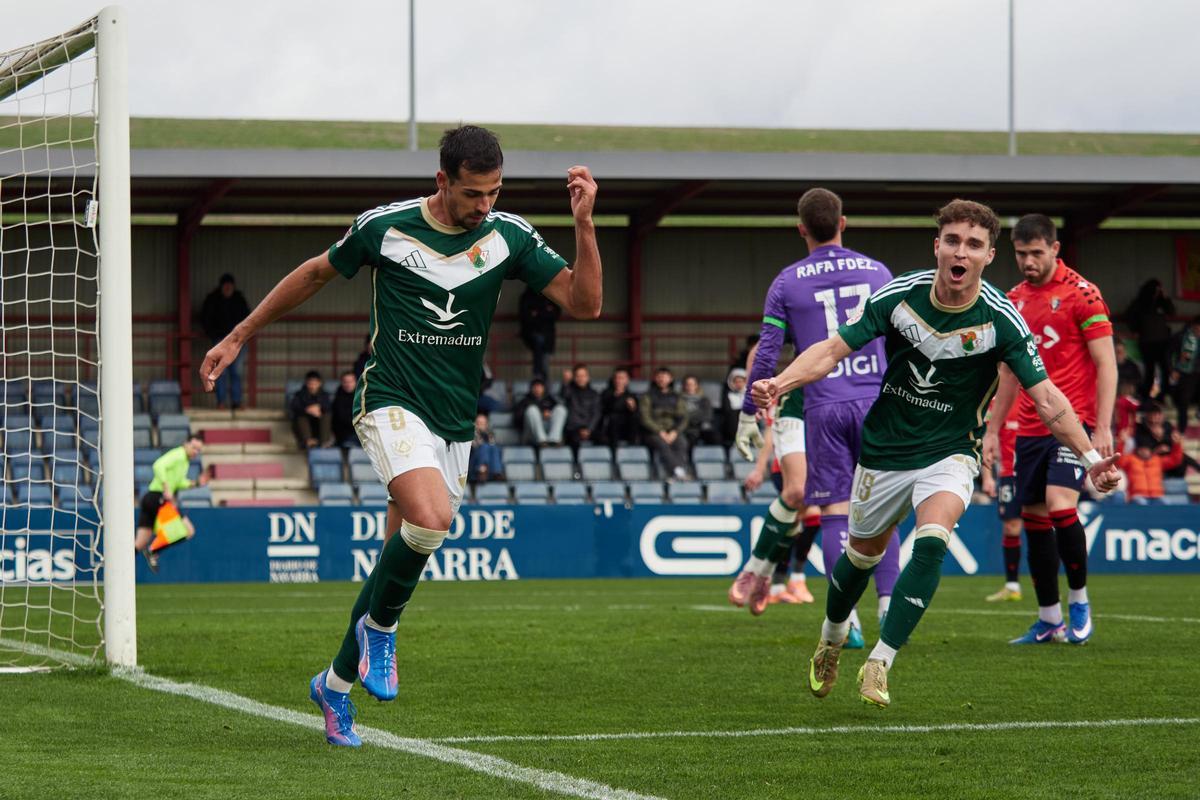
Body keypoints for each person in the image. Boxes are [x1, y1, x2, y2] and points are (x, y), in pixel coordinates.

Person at [199, 124, 601, 747]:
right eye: (473, 193)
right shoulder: (385, 227)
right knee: (432, 519)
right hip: (389, 400)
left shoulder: (509, 237)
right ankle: (381, 632)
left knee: (399, 557)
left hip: (453, 422)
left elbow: (585, 303)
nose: (485, 205)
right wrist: (237, 335)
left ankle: (334, 687)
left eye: (494, 192)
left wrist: (584, 224)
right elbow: (313, 274)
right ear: (442, 180)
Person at [751, 199, 1120, 708]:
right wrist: (781, 382)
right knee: (860, 559)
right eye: (952, 241)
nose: (960, 251)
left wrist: (1091, 458)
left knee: (931, 541)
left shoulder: (1002, 319)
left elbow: (1048, 399)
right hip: (884, 449)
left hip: (951, 451)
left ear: (989, 255)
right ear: (937, 246)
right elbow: (832, 350)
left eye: (973, 244)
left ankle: (881, 661)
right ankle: (831, 637)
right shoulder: (898, 297)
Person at [730, 188, 899, 642]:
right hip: (875, 401)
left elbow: (767, 353)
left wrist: (748, 413)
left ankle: (848, 621)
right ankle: (888, 608)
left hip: (824, 404)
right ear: (843, 222)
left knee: (834, 512)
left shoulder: (787, 282)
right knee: (884, 511)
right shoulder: (878, 272)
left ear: (801, 228)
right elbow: (902, 341)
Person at [985, 214, 1116, 646]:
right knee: (1034, 518)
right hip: (1029, 427)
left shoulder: (1083, 294)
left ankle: (1079, 601)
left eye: (1036, 253)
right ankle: (1048, 619)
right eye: (1021, 253)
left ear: (1055, 249)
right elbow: (1008, 373)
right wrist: (993, 430)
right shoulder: (1013, 300)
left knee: (1061, 506)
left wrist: (1102, 427)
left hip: (1074, 422)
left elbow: (1106, 364)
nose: (1028, 262)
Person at [134, 434, 207, 573]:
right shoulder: (178, 455)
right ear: (186, 444)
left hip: (150, 498)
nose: (195, 452)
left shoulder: (185, 462)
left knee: (140, 543)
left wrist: (196, 483)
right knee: (188, 530)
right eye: (194, 447)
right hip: (159, 499)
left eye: (198, 450)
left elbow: (179, 482)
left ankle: (117, 564)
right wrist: (166, 487)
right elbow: (158, 465)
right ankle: (152, 551)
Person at [981, 403, 1023, 602]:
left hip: (1036, 471)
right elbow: (986, 440)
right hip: (1009, 474)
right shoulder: (996, 402)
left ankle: (1049, 585)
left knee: (1042, 524)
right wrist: (987, 477)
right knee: (1011, 527)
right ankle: (1012, 586)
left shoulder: (1036, 393)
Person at [199, 274, 250, 409]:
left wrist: (243, 336)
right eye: (225, 285)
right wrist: (212, 334)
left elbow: (248, 318)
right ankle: (221, 402)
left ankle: (236, 402)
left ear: (233, 286)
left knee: (236, 371)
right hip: (220, 340)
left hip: (238, 341)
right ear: (221, 286)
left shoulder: (239, 300)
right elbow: (205, 318)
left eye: (230, 285)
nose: (228, 288)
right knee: (220, 372)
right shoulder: (213, 300)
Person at [1124, 279, 1175, 400]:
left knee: (1165, 369)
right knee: (1149, 369)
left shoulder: (1161, 302)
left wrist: (1165, 298)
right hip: (1147, 341)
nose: (1158, 292)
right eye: (1156, 290)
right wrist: (1135, 330)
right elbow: (1130, 316)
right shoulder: (1140, 303)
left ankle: (1164, 393)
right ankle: (1147, 394)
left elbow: (1172, 311)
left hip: (1162, 341)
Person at [639, 366, 690, 480]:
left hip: (672, 431)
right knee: (662, 445)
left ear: (670, 379)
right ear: (655, 378)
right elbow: (645, 418)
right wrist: (660, 431)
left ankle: (676, 473)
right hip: (653, 432)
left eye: (665, 377)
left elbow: (683, 417)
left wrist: (675, 432)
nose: (662, 379)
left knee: (682, 443)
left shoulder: (677, 397)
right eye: (659, 376)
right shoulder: (647, 396)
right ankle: (678, 471)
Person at [1118, 439, 1184, 503]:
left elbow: (1175, 460)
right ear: (1137, 450)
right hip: (1137, 495)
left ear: (1150, 450)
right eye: (1142, 449)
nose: (1144, 452)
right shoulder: (1130, 460)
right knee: (1141, 503)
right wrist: (1121, 443)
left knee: (1166, 503)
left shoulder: (1157, 460)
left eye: (1146, 449)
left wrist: (1177, 445)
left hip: (1157, 495)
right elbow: (1119, 461)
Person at [519, 285, 562, 380]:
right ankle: (538, 377)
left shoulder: (551, 295)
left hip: (548, 336)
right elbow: (526, 316)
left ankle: (541, 379)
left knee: (545, 359)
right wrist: (546, 312)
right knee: (539, 345)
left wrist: (538, 314)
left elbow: (556, 314)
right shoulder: (528, 296)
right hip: (531, 333)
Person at [514, 378, 567, 446]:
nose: (537, 389)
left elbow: (558, 414)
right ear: (531, 389)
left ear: (543, 388)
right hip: (530, 433)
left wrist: (549, 413)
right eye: (535, 387)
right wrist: (540, 415)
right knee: (532, 410)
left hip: (548, 431)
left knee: (560, 409)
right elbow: (517, 419)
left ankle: (554, 440)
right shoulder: (525, 401)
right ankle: (542, 440)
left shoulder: (550, 400)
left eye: (539, 387)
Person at [1170, 315, 1200, 432]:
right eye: (1197, 330)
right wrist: (1173, 369)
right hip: (1185, 373)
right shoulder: (1181, 337)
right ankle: (1181, 430)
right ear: (1193, 326)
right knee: (1183, 402)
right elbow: (1169, 353)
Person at [562, 363, 602, 450]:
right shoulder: (569, 392)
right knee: (573, 439)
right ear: (574, 378)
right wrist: (566, 383)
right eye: (578, 376)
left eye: (583, 376)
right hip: (573, 429)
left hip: (590, 428)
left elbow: (596, 414)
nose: (581, 379)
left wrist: (588, 429)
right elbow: (563, 396)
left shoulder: (594, 394)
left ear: (588, 377)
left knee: (603, 439)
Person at [289, 370, 333, 450]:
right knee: (301, 416)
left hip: (319, 425)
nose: (312, 386)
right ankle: (309, 441)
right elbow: (294, 407)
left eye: (315, 384)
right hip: (303, 426)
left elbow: (329, 407)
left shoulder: (324, 395)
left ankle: (325, 442)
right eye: (310, 383)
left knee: (327, 415)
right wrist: (307, 410)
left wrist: (318, 408)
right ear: (306, 383)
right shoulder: (299, 394)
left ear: (319, 383)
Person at [598, 367, 641, 446]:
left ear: (627, 380)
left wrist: (632, 408)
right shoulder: (606, 394)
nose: (618, 381)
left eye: (621, 378)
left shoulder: (631, 396)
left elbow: (636, 413)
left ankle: (633, 446)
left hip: (626, 428)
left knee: (635, 418)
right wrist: (615, 397)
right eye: (616, 378)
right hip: (610, 428)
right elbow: (603, 411)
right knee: (614, 419)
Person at [680, 375, 720, 449]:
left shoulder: (704, 400)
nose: (690, 387)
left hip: (703, 428)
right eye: (688, 384)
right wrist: (698, 414)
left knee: (716, 438)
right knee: (689, 441)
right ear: (684, 386)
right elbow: (681, 416)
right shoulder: (679, 400)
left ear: (696, 386)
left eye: (692, 384)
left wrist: (690, 415)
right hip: (688, 429)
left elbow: (708, 416)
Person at [468, 412, 504, 484]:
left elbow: (492, 444)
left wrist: (486, 434)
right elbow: (475, 446)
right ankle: (482, 470)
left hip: (489, 467)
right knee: (484, 446)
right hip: (474, 466)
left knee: (495, 448)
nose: (480, 425)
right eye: (479, 423)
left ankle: (496, 472)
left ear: (486, 425)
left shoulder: (490, 434)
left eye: (483, 423)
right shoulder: (471, 434)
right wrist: (479, 432)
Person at [718, 367, 748, 447]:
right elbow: (726, 410)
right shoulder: (728, 395)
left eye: (741, 381)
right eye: (736, 382)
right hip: (732, 423)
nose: (739, 384)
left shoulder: (749, 394)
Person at [331, 371, 359, 448]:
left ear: (356, 382)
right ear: (342, 383)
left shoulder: (362, 396)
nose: (348, 384)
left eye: (351, 382)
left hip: (361, 431)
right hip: (345, 434)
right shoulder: (338, 397)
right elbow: (341, 418)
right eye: (345, 382)